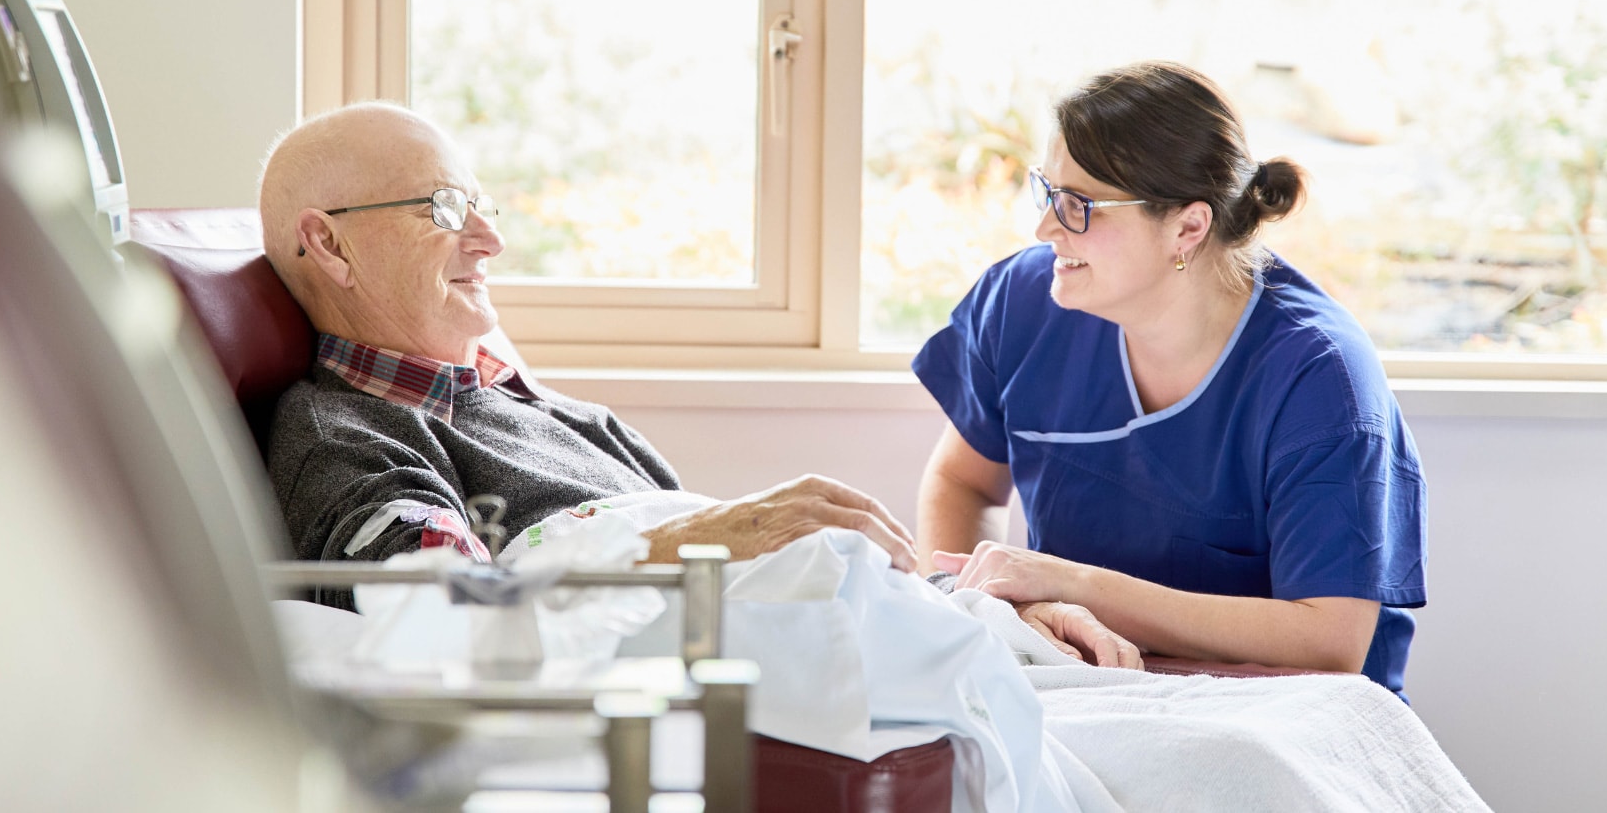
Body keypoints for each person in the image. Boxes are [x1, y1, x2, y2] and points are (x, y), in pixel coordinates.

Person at [254, 102, 1137, 666]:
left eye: (484, 206)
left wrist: (992, 609)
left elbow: (738, 568)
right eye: (445, 209)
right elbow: (441, 620)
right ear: (328, 245)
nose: (489, 239)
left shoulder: (560, 413)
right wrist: (699, 541)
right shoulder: (344, 431)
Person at [912, 61, 1426, 695]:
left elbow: (1328, 640)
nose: (1045, 228)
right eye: (1047, 192)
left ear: (1188, 226)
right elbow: (962, 481)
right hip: (1088, 688)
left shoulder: (1319, 378)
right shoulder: (1026, 304)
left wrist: (1073, 584)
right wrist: (998, 611)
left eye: (1080, 207)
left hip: (1283, 714)